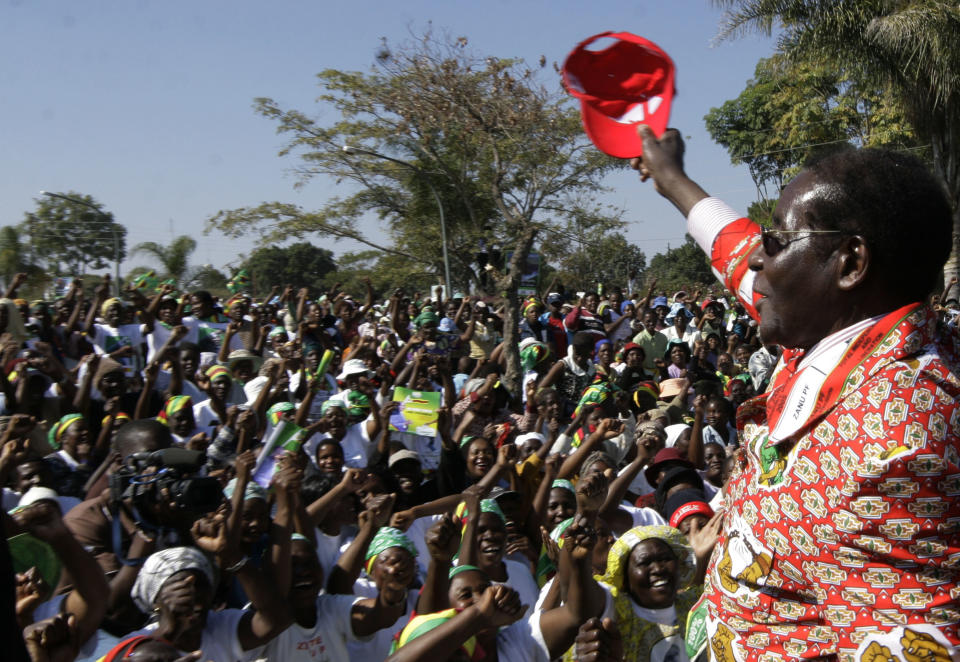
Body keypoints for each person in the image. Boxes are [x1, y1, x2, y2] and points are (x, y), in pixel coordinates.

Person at [633, 125, 960, 658]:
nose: (757, 260)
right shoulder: (831, 327)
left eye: (778, 241)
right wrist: (670, 177)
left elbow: (913, 645)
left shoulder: (895, 437)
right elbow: (733, 250)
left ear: (850, 263)